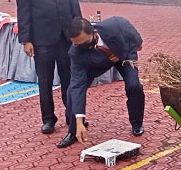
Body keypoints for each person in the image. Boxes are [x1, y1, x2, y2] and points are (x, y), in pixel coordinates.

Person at [16, 0, 82, 134]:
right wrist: (26, 40)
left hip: (65, 38)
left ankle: (73, 117)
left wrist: (79, 31)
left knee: (69, 80)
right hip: (42, 40)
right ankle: (48, 119)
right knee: (45, 81)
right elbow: (24, 11)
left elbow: (73, 5)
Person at [60, 17, 145, 148]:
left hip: (124, 56)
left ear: (94, 33)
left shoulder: (115, 25)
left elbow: (132, 34)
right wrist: (79, 120)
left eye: (84, 43)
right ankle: (74, 130)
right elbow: (78, 85)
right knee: (72, 91)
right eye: (76, 44)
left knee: (134, 86)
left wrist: (137, 43)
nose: (80, 47)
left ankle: (137, 123)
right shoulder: (76, 53)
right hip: (97, 64)